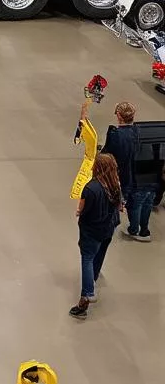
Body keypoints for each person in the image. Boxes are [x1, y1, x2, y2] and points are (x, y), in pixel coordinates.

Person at [71, 152, 124, 318]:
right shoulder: (115, 183)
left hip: (92, 230)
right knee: (101, 251)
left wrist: (79, 211)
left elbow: (83, 210)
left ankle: (87, 295)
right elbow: (119, 205)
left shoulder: (91, 188)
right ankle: (94, 275)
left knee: (87, 258)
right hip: (109, 227)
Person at [101, 101, 139, 229]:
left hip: (115, 176)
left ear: (118, 115)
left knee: (110, 204)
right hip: (130, 177)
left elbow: (107, 155)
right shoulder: (137, 133)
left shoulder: (115, 135)